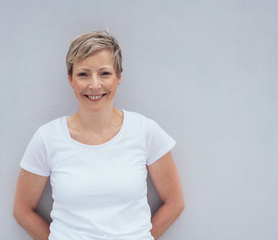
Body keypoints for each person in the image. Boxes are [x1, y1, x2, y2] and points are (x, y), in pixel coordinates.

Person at [13, 30, 184, 240]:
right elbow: (22, 210)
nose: (95, 85)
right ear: (70, 79)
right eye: (83, 74)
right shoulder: (47, 138)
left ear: (118, 77)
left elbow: (175, 203)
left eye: (105, 73)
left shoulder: (145, 131)